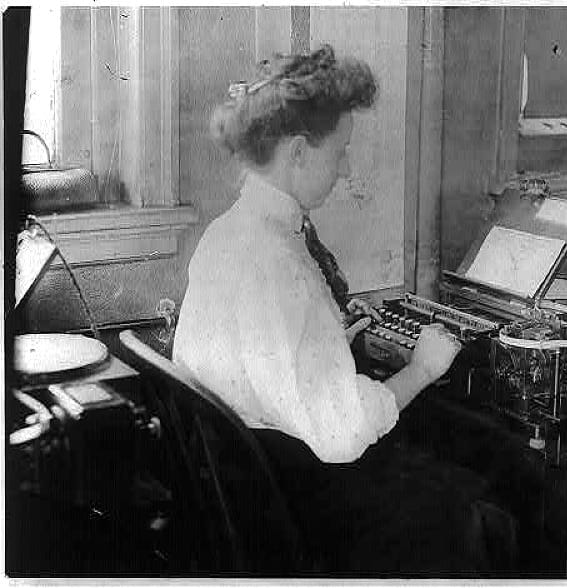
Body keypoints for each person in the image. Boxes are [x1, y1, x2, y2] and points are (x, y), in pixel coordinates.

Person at [173, 44, 516, 574]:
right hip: (296, 509)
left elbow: (267, 352)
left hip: (249, 488)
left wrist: (326, 335)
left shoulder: (227, 234)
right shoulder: (280, 264)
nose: (347, 168)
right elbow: (343, 434)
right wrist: (424, 368)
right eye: (339, 152)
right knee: (474, 507)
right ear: (298, 153)